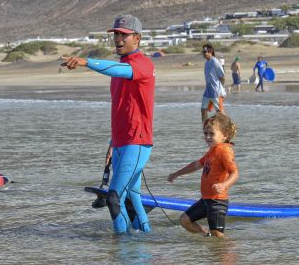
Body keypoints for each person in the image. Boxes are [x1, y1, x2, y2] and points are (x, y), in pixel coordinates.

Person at [61, 14, 155, 234]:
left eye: (123, 35)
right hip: (122, 142)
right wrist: (112, 144)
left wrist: (86, 61)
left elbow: (118, 70)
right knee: (133, 198)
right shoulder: (121, 67)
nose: (118, 39)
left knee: (114, 198)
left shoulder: (142, 64)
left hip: (137, 142)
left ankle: (122, 247)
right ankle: (144, 246)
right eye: (115, 34)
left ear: (137, 38)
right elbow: (123, 109)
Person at [167, 113, 239, 238]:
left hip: (217, 201)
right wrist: (177, 174)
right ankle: (206, 234)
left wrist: (224, 185)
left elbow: (235, 172)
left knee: (219, 238)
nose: (207, 137)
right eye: (205, 133)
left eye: (212, 134)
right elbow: (196, 165)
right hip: (206, 200)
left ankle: (227, 255)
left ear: (224, 135)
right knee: (185, 220)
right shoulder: (213, 150)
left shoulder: (224, 151)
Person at [201, 43, 226, 123]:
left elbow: (222, 77)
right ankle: (205, 128)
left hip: (216, 92)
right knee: (203, 109)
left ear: (210, 51)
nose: (203, 53)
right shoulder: (206, 63)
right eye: (203, 52)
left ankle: (227, 128)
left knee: (220, 112)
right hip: (207, 91)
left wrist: (221, 89)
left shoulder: (215, 61)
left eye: (205, 52)